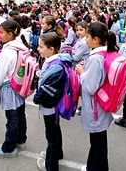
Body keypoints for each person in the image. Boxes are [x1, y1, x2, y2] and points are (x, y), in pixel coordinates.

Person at [75, 22, 118, 171]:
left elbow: (90, 87)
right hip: (102, 105)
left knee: (97, 143)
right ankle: (92, 166)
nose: (85, 39)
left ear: (96, 39)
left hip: (95, 107)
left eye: (87, 36)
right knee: (98, 142)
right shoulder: (103, 52)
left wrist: (81, 73)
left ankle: (96, 167)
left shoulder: (95, 58)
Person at [35, 32, 72, 171]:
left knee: (51, 135)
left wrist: (36, 98)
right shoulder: (53, 60)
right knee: (54, 131)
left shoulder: (55, 67)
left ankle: (51, 165)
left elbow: (48, 90)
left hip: (51, 106)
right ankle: (57, 153)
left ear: (51, 49)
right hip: (53, 106)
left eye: (41, 46)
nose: (38, 49)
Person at [0, 20, 28, 158]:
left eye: (2, 32)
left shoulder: (7, 52)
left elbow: (0, 74)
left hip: (9, 88)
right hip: (20, 86)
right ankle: (21, 141)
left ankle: (9, 148)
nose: (0, 35)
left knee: (11, 120)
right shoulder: (21, 47)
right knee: (20, 116)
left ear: (10, 34)